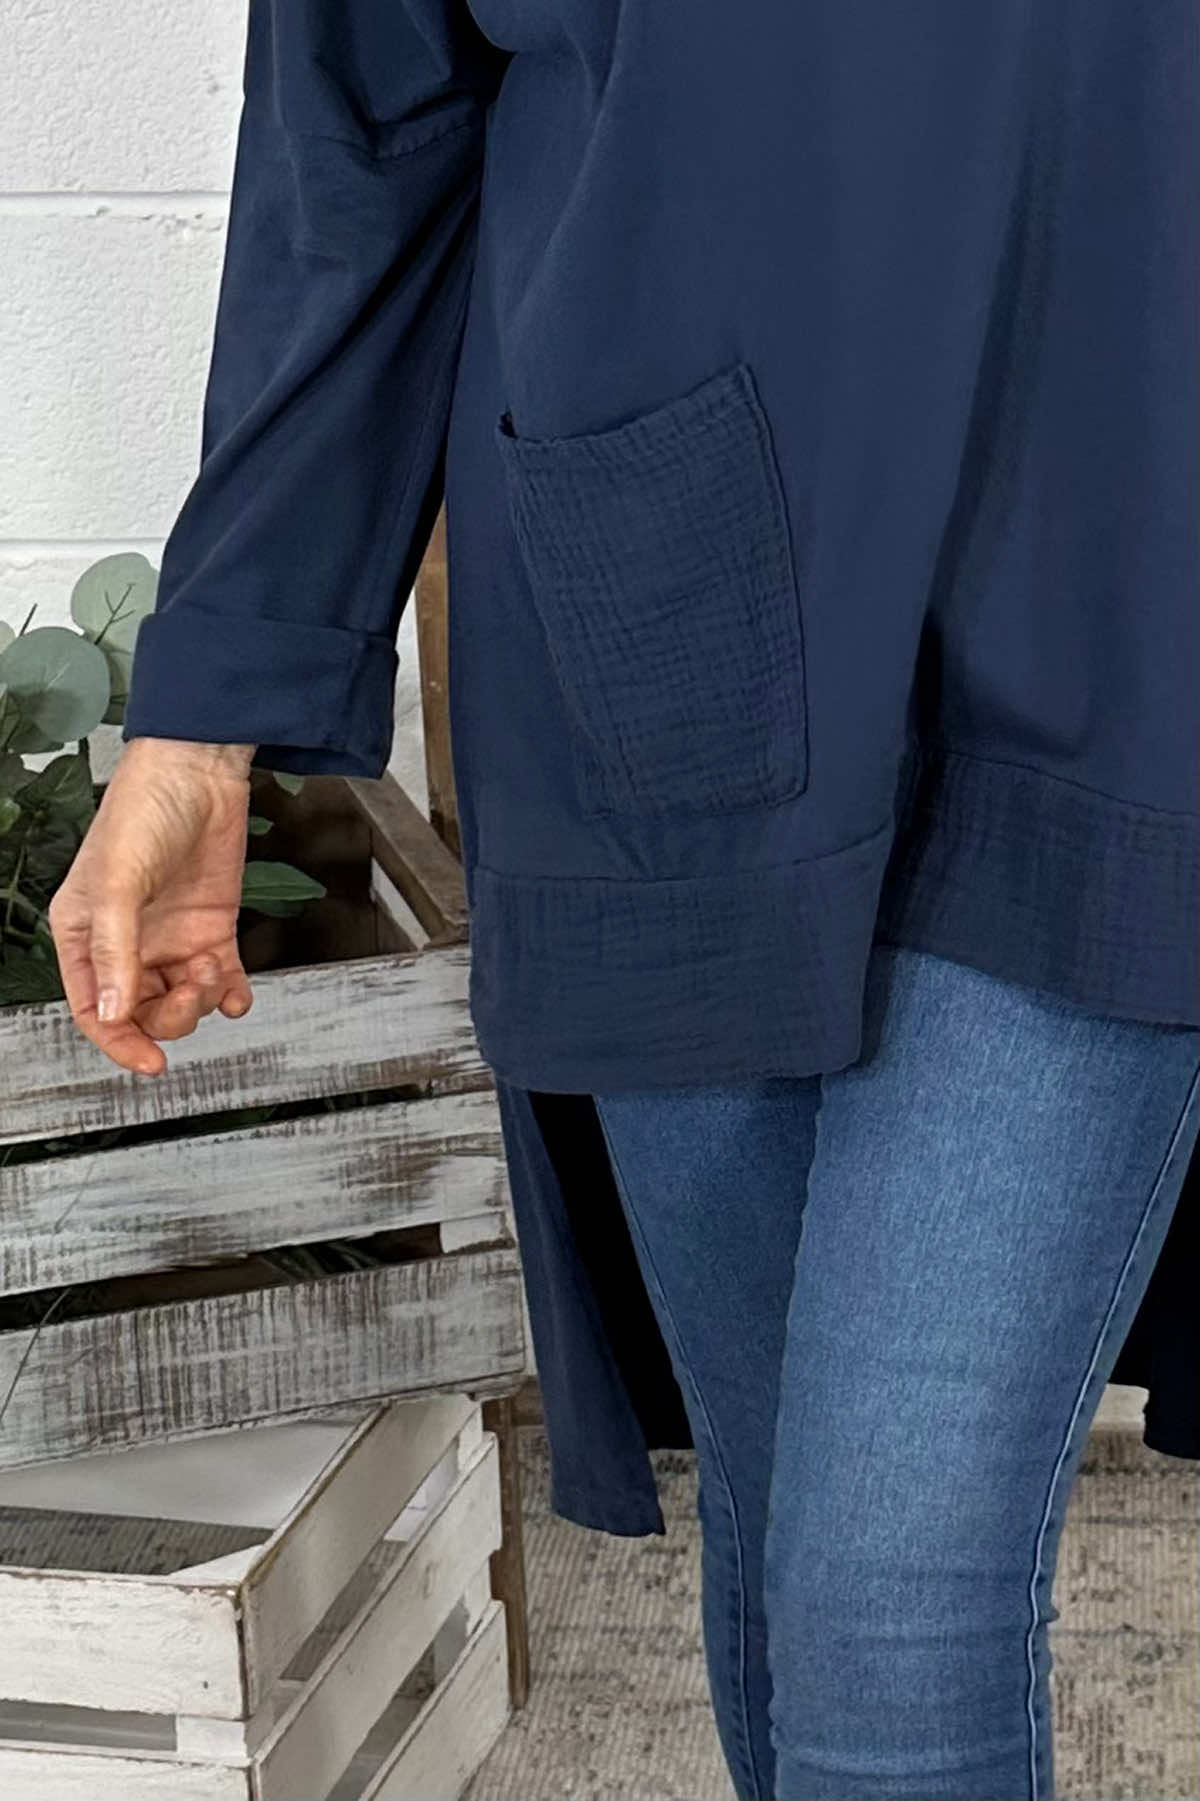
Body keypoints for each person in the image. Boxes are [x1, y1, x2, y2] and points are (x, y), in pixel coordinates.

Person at [45, 3, 1197, 1797]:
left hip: (1131, 590)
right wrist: (202, 725)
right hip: (675, 612)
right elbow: (356, 126)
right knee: (788, 1550)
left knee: (889, 1616)